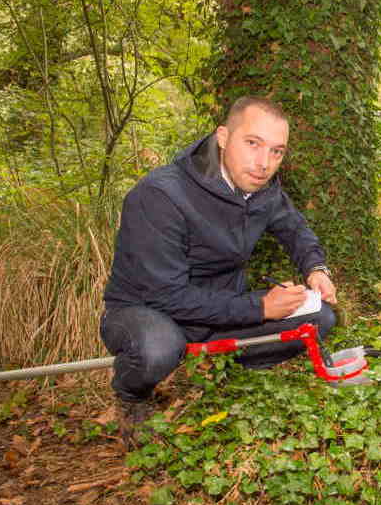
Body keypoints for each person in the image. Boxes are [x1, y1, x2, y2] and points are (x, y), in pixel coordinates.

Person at [101, 96, 337, 447]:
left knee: (321, 317)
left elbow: (294, 228)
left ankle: (224, 369)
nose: (264, 163)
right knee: (158, 349)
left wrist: (315, 268)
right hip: (147, 311)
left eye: (277, 152)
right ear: (223, 136)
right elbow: (166, 295)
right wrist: (258, 308)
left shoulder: (262, 189)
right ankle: (132, 396)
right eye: (253, 144)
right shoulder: (160, 195)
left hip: (221, 310)